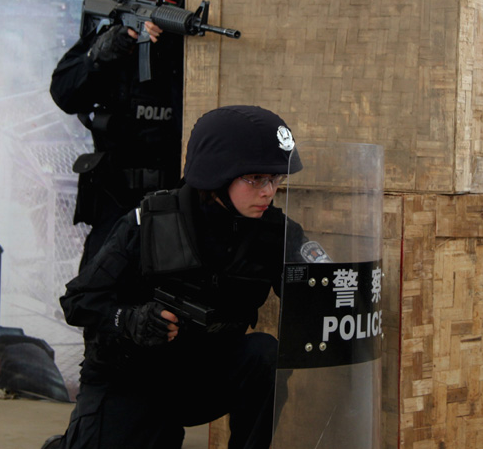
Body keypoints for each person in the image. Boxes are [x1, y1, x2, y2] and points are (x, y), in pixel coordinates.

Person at [49, 105, 306, 449]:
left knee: (264, 356)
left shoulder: (275, 234)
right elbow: (78, 301)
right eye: (256, 179)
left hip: (200, 375)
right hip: (133, 377)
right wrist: (130, 319)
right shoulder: (151, 222)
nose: (268, 191)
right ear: (217, 174)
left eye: (275, 179)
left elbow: (316, 294)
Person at [50, 0, 187, 269]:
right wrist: (101, 56)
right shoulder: (113, 33)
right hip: (115, 202)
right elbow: (63, 92)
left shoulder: (192, 40)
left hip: (181, 201)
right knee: (100, 304)